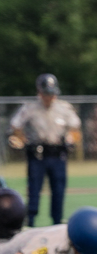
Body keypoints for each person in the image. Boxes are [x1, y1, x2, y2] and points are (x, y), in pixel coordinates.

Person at [8, 74, 80, 226]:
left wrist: (71, 139)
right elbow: (16, 125)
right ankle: (30, 222)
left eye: (52, 93)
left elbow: (75, 128)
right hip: (37, 154)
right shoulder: (30, 108)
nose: (49, 96)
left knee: (58, 189)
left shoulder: (64, 108)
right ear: (39, 92)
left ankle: (57, 221)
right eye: (46, 93)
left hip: (58, 153)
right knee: (34, 189)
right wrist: (20, 139)